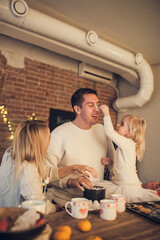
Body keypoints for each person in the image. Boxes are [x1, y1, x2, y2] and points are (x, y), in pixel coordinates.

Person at [0, 120, 98, 212]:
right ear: (40, 143)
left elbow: (47, 172)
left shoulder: (10, 155)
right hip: (13, 221)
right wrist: (55, 207)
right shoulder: (28, 168)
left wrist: (74, 167)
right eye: (48, 137)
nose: (50, 140)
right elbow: (39, 205)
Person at [44, 88, 115, 206]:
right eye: (91, 105)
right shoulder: (59, 133)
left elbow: (115, 165)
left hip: (96, 204)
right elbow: (47, 173)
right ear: (77, 109)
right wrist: (71, 182)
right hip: (65, 205)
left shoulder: (102, 130)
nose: (97, 110)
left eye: (97, 105)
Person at [96, 104, 160, 202]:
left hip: (128, 187)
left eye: (122, 124)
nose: (117, 125)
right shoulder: (126, 145)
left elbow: (109, 132)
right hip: (124, 184)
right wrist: (112, 163)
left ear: (131, 133)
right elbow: (125, 166)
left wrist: (106, 113)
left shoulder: (128, 143)